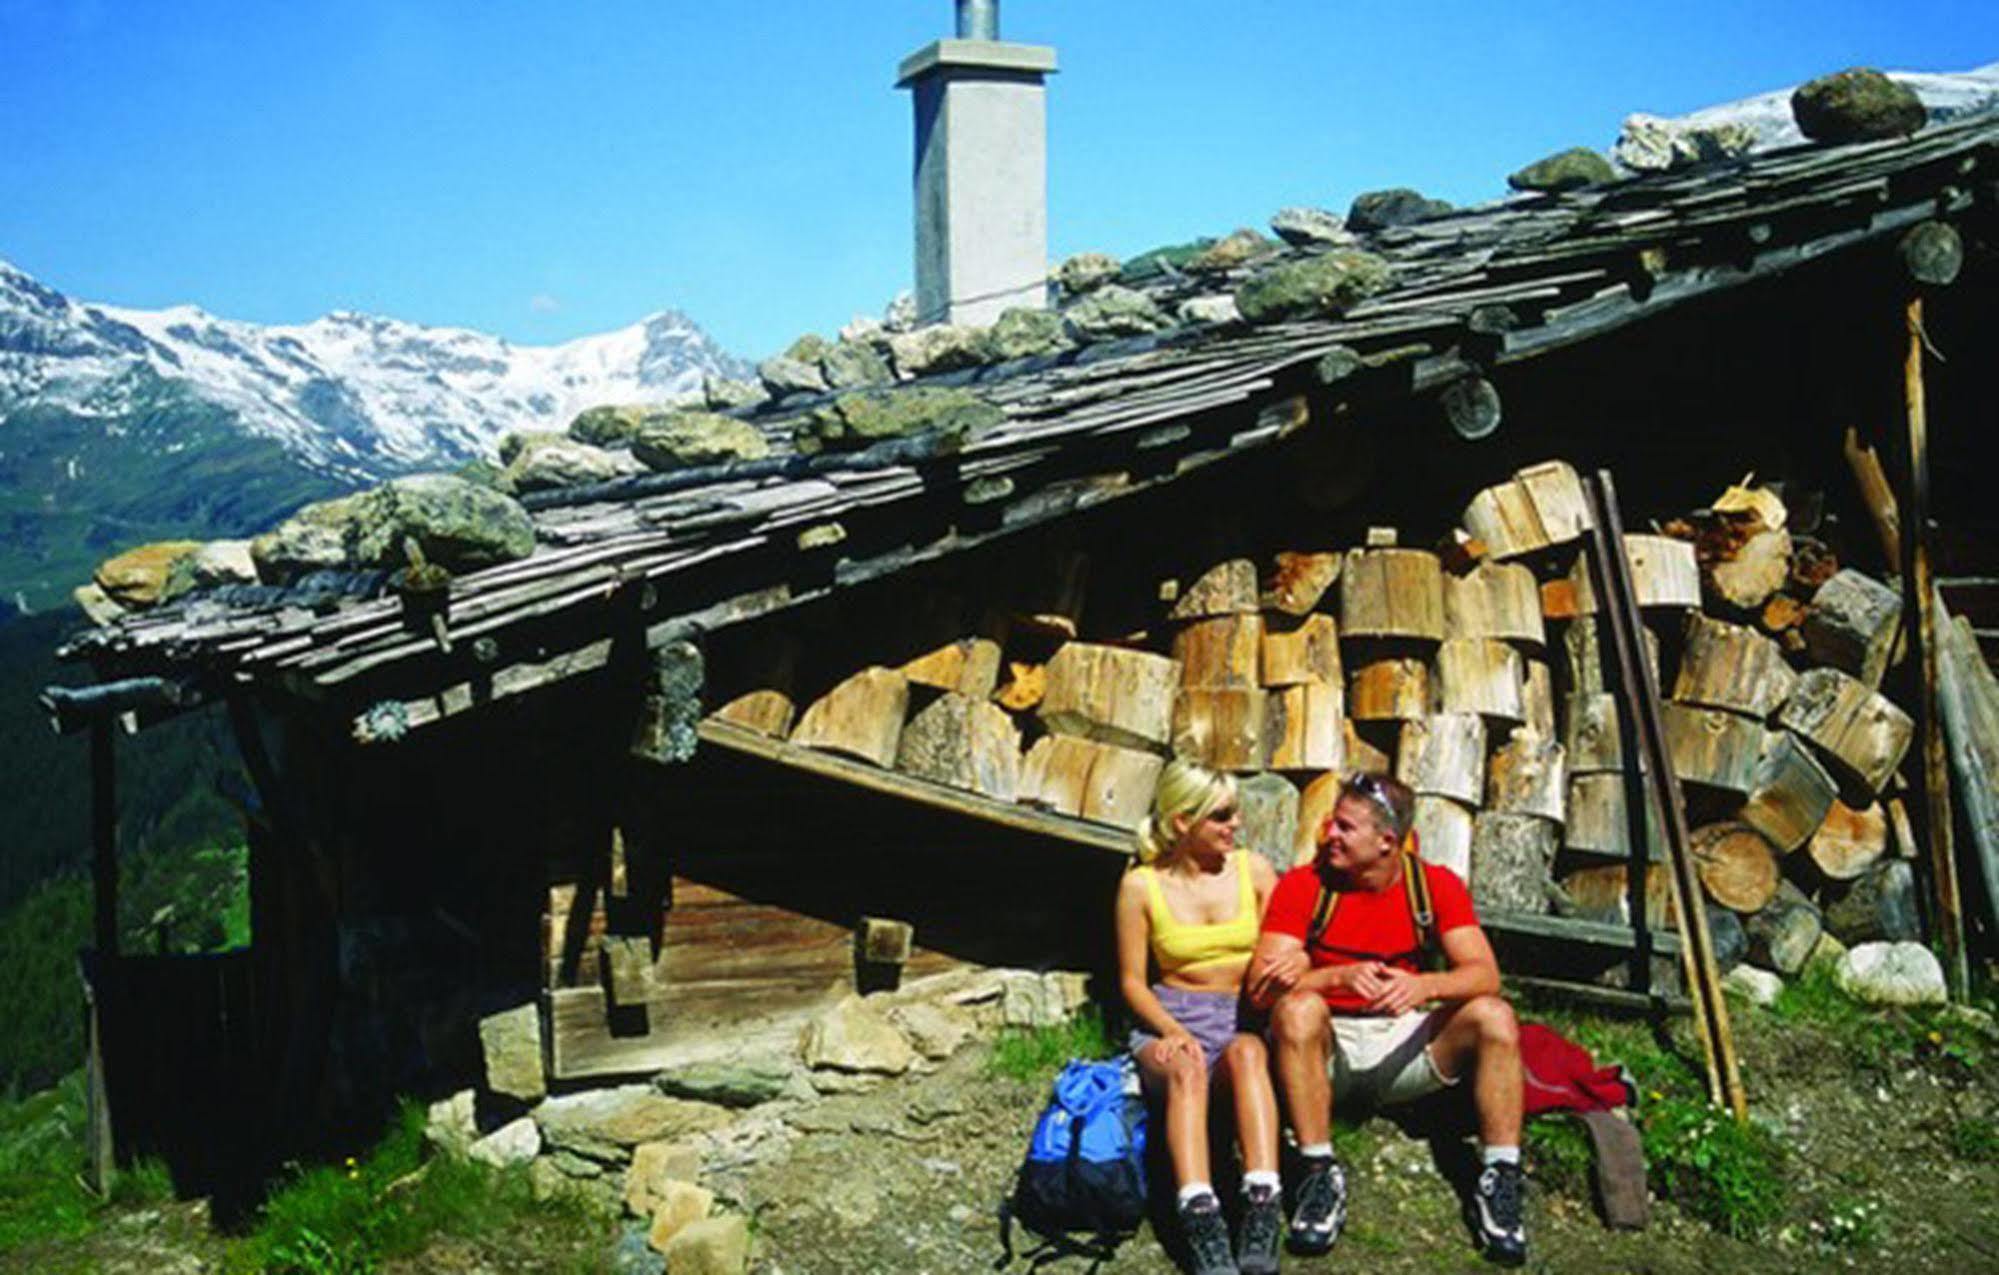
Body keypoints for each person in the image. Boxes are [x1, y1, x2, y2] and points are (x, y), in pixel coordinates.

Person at [1246, 771, 1528, 1266]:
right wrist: (1336, 979)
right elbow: (1259, 990)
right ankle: (1317, 1171)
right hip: (1321, 1052)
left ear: (1386, 842)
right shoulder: (1303, 887)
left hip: (1403, 1045)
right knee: (1296, 1008)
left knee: (1495, 1017)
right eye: (1333, 823)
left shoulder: (1434, 885)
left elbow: (1486, 975)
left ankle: (1499, 1177)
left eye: (1345, 828)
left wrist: (1426, 986)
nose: (1329, 835)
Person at [1115, 758, 1285, 1275]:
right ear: (1184, 822)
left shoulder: (1252, 870)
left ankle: (1262, 1200)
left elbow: (1285, 947)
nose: (1236, 825)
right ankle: (1199, 1212)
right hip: (1172, 1014)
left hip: (1239, 1016)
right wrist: (1171, 1030)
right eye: (1222, 816)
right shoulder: (1141, 886)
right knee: (1186, 1066)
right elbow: (1131, 982)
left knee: (1250, 1054)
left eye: (1234, 814)